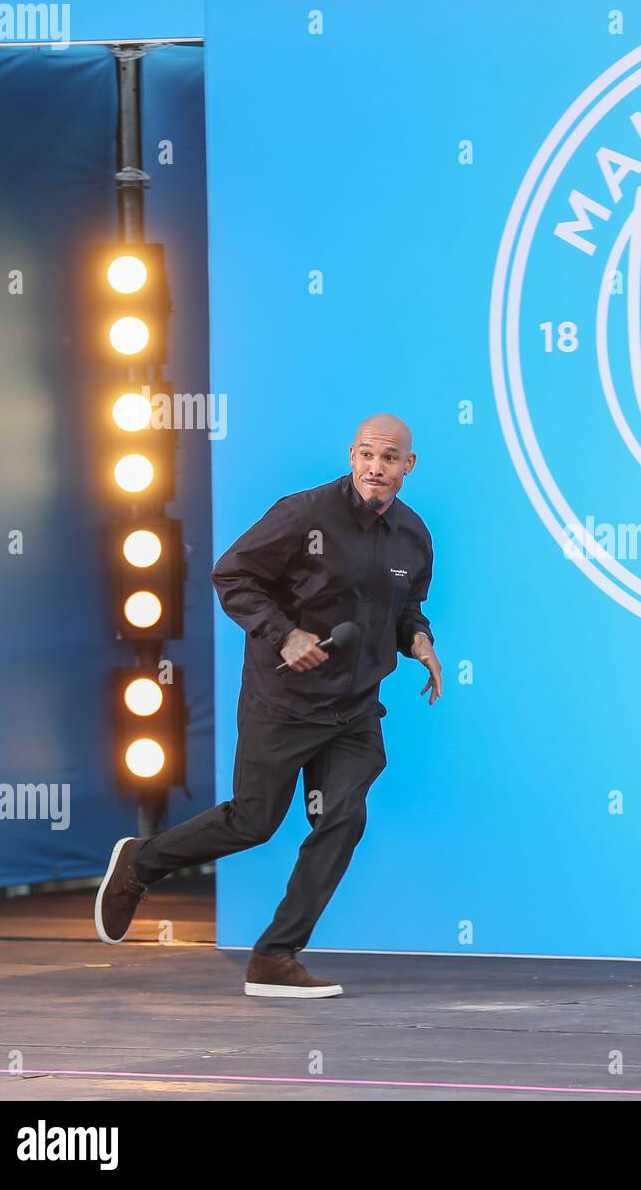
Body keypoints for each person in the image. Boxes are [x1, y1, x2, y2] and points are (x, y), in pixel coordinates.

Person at [94, 413, 441, 998]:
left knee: (343, 818)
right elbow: (232, 574)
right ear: (351, 455)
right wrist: (284, 634)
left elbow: (406, 607)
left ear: (409, 465)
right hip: (283, 699)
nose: (375, 468)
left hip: (354, 709)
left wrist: (420, 642)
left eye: (389, 458)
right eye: (366, 455)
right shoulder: (304, 514)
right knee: (254, 822)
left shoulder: (413, 535)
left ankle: (276, 955)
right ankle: (141, 861)